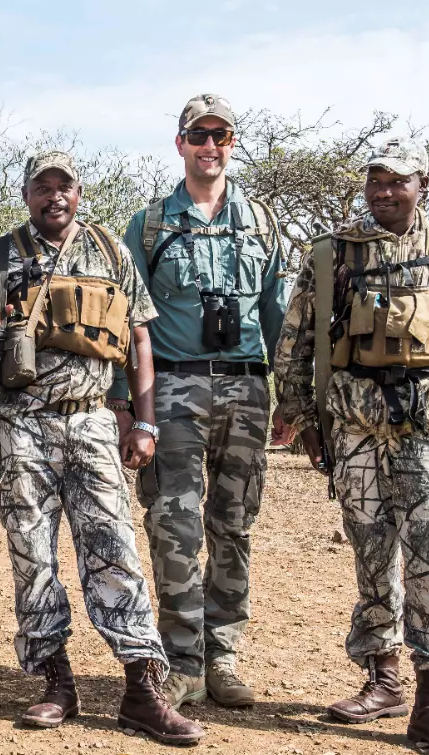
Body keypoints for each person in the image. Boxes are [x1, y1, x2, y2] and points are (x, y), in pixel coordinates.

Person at [0, 150, 204, 746]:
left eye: (64, 187)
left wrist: (144, 423)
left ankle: (142, 689)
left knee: (115, 550)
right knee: (32, 555)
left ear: (77, 193)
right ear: (26, 195)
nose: (54, 197)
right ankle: (56, 681)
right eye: (42, 187)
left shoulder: (109, 251)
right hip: (19, 424)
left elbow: (139, 338)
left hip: (93, 421)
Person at [273, 136, 429, 755]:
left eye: (397, 181)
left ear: (421, 184)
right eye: (375, 180)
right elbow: (297, 340)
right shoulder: (334, 255)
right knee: (371, 557)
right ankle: (383, 680)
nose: (384, 192)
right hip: (354, 433)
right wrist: (301, 415)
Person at [119, 94, 287, 711]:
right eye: (198, 135)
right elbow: (128, 322)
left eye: (221, 135)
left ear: (232, 143)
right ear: (180, 143)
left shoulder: (262, 222)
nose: (209, 145)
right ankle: (183, 661)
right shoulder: (150, 224)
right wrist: (129, 407)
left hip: (247, 389)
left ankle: (223, 657)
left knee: (234, 524)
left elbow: (279, 314)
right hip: (174, 389)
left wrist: (291, 399)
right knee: (175, 525)